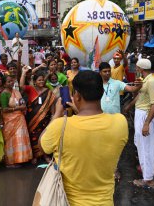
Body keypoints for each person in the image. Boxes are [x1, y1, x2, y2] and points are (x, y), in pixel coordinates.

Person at [40, 70, 128, 205]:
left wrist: (57, 113)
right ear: (102, 92)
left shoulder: (60, 126)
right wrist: (79, 109)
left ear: (77, 96)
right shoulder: (120, 122)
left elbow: (43, 145)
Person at [132, 58, 154, 189]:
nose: (136, 69)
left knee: (146, 148)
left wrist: (146, 123)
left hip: (145, 116)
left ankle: (148, 180)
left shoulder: (152, 81)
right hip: (142, 114)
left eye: (137, 67)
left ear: (141, 68)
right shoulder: (146, 80)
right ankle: (152, 169)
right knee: (141, 145)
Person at [20, 67, 56, 164]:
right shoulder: (31, 89)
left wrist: (53, 115)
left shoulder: (48, 91)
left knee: (43, 136)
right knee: (33, 136)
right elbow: (21, 86)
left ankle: (45, 155)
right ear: (35, 81)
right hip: (32, 118)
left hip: (45, 119)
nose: (41, 82)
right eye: (39, 80)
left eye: (43, 80)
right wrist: (23, 73)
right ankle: (34, 155)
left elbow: (52, 104)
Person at [0, 75, 33, 168]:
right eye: (8, 82)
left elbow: (21, 101)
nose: (11, 83)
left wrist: (23, 106)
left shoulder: (16, 91)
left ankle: (21, 158)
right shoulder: (4, 94)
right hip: (10, 120)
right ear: (4, 84)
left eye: (12, 81)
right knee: (12, 140)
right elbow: (4, 109)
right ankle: (10, 161)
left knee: (21, 138)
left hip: (20, 118)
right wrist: (17, 108)